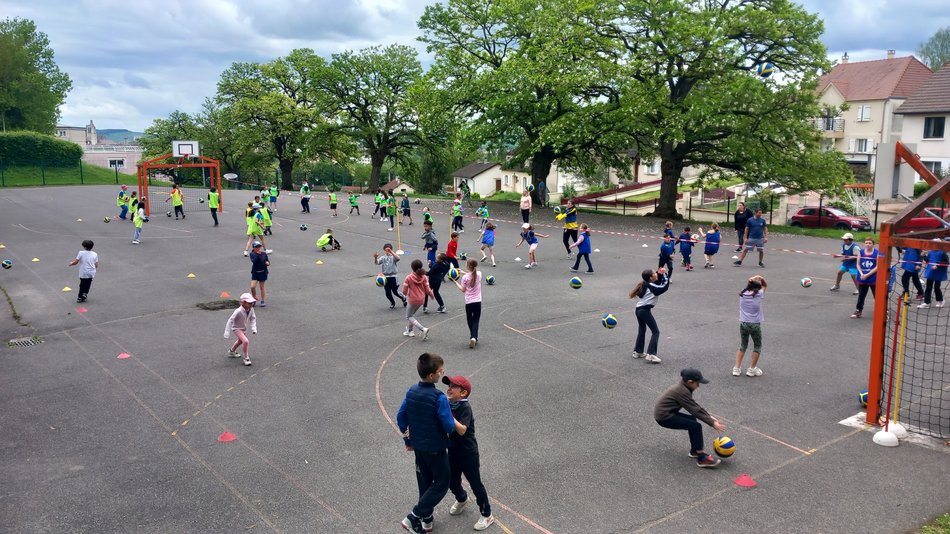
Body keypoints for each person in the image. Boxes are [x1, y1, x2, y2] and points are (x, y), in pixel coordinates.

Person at [396, 353, 464, 534]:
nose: (443, 372)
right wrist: (447, 410)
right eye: (440, 371)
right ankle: (413, 516)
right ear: (432, 376)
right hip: (436, 449)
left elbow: (401, 417)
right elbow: (449, 426)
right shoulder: (439, 398)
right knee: (442, 483)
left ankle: (426, 519)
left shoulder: (411, 391)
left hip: (418, 447)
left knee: (424, 482)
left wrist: (407, 439)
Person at [442, 374, 494, 531]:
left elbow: (462, 430)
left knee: (475, 483)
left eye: (453, 386)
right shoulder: (450, 405)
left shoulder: (465, 407)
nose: (449, 389)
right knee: (451, 480)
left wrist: (448, 415)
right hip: (453, 451)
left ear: (463, 393)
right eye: (448, 386)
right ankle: (462, 498)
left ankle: (487, 514)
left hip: (468, 453)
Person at [654, 368, 727, 468]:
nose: (698, 386)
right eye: (697, 383)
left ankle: (694, 451)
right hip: (664, 417)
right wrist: (712, 423)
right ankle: (701, 458)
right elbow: (694, 410)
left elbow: (694, 406)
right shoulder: (681, 391)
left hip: (668, 412)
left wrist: (709, 417)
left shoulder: (684, 387)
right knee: (696, 426)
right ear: (690, 382)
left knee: (692, 421)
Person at [630, 267, 669, 363]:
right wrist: (665, 275)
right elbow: (663, 287)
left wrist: (659, 274)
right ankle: (651, 354)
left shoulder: (646, 284)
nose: (656, 273)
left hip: (638, 309)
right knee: (656, 332)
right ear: (651, 277)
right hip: (644, 310)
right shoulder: (651, 286)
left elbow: (657, 283)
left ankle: (638, 351)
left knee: (642, 329)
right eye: (654, 273)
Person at [734, 275, 767, 376]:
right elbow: (765, 285)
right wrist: (760, 278)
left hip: (744, 324)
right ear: (758, 288)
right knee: (757, 346)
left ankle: (736, 368)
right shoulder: (758, 295)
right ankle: (751, 369)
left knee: (743, 345)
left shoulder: (743, 294)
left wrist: (752, 279)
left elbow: (748, 286)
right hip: (755, 325)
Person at [452, 258, 482, 348]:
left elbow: (463, 289)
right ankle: (474, 337)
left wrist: (455, 281)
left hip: (469, 302)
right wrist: (463, 272)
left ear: (468, 266)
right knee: (476, 319)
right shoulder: (479, 274)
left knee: (470, 319)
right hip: (477, 301)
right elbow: (473, 275)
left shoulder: (465, 278)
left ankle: (473, 336)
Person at [402, 259, 434, 339]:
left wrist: (404, 295)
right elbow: (427, 289)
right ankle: (410, 331)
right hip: (421, 299)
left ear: (412, 268)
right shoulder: (424, 277)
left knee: (408, 316)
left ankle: (423, 329)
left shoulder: (408, 278)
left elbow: (404, 291)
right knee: (411, 315)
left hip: (413, 299)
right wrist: (431, 295)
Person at [851, 237, 880, 318]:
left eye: (870, 243)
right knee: (861, 296)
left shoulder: (877, 253)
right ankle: (858, 310)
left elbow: (877, 266)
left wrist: (867, 275)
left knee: (877, 296)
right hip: (863, 277)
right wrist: (861, 273)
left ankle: (883, 311)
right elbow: (858, 264)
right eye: (866, 243)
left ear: (873, 244)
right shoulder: (861, 252)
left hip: (873, 278)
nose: (868, 244)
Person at [374, 243, 407, 309]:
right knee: (387, 292)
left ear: (391, 249)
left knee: (395, 292)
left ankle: (403, 298)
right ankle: (392, 302)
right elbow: (376, 263)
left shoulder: (393, 257)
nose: (387, 251)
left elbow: (398, 258)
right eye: (386, 250)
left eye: (389, 250)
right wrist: (375, 257)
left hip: (393, 276)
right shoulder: (383, 258)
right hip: (385, 277)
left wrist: (391, 252)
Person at [918, 241, 948, 309]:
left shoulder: (943, 253)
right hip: (931, 272)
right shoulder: (931, 252)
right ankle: (926, 302)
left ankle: (941, 300)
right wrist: (924, 256)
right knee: (928, 287)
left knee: (937, 287)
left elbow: (946, 262)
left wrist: (937, 265)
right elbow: (928, 260)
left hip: (939, 272)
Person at [249, 241, 269, 307]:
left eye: (259, 246)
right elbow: (254, 261)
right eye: (256, 247)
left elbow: (267, 260)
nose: (258, 248)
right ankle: (254, 298)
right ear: (254, 248)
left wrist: (267, 263)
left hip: (263, 272)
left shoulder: (264, 254)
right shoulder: (252, 254)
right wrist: (258, 254)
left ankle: (262, 300)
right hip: (255, 272)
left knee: (262, 287)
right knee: (252, 287)